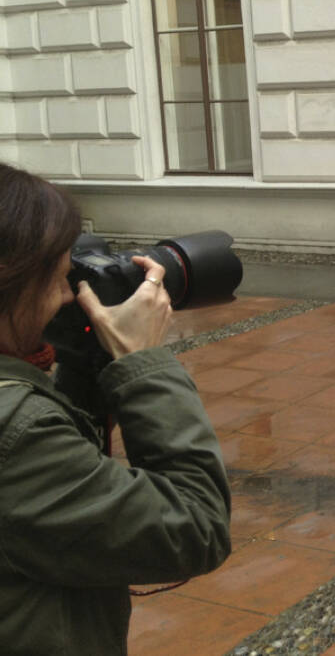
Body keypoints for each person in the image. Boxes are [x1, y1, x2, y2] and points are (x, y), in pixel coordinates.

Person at [0, 164, 231, 654]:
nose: (68, 295)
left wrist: (84, 362)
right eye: (60, 277)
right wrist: (142, 361)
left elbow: (68, 493)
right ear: (12, 282)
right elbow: (194, 527)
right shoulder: (16, 435)